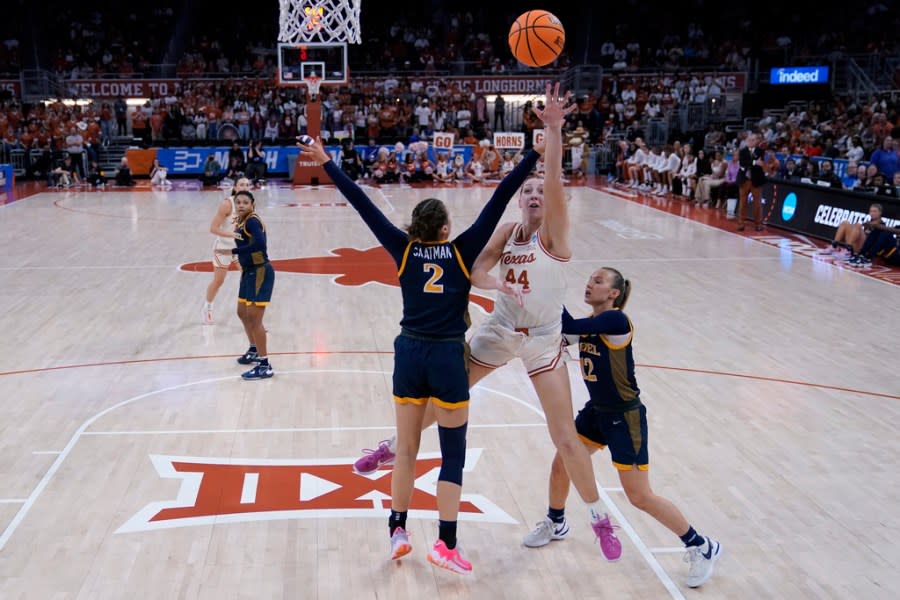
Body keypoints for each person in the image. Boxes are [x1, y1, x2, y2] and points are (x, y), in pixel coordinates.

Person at [351, 83, 624, 563]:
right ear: (520, 201)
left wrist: (554, 134)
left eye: (542, 190)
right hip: (499, 331)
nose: (538, 193)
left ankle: (600, 517)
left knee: (564, 436)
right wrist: (496, 286)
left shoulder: (555, 234)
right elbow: (474, 268)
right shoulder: (506, 231)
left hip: (542, 341)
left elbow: (556, 182)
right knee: (444, 398)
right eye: (530, 190)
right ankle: (392, 446)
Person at [298, 117, 542, 574]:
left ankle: (397, 530)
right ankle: (446, 544)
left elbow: (363, 205)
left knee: (406, 450)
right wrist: (532, 154)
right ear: (447, 229)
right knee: (452, 454)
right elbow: (500, 197)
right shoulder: (462, 251)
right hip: (449, 355)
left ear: (415, 228)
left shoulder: (403, 249)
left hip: (408, 353)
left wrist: (329, 163)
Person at [522, 267, 721, 588]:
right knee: (562, 463)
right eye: (589, 279)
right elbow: (560, 334)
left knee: (639, 496)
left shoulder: (615, 321)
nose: (590, 283)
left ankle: (701, 545)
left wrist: (546, 284)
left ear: (613, 293)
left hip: (624, 417)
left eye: (598, 281)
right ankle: (556, 522)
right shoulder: (592, 324)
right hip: (596, 412)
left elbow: (569, 325)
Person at [214, 189, 275, 379]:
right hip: (248, 272)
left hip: (260, 272)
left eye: (245, 203)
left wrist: (232, 251)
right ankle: (254, 349)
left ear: (252, 205)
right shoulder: (241, 221)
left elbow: (260, 246)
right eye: (238, 202)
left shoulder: (252, 221)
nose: (241, 205)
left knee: (255, 319)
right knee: (242, 312)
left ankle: (265, 365)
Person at [204, 177, 253, 324]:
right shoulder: (227, 204)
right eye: (241, 184)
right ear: (236, 188)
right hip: (224, 248)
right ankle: (208, 308)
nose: (245, 187)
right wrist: (232, 234)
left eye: (247, 184)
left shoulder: (251, 204)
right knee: (219, 281)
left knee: (248, 278)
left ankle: (251, 314)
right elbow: (213, 228)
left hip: (240, 248)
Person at [736, 132, 766, 231]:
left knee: (757, 203)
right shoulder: (742, 151)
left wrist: (751, 163)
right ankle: (741, 223)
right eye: (749, 140)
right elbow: (743, 163)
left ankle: (758, 224)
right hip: (744, 179)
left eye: (753, 140)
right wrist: (753, 162)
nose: (750, 142)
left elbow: (759, 164)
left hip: (756, 179)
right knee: (742, 203)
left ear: (757, 141)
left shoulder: (760, 151)